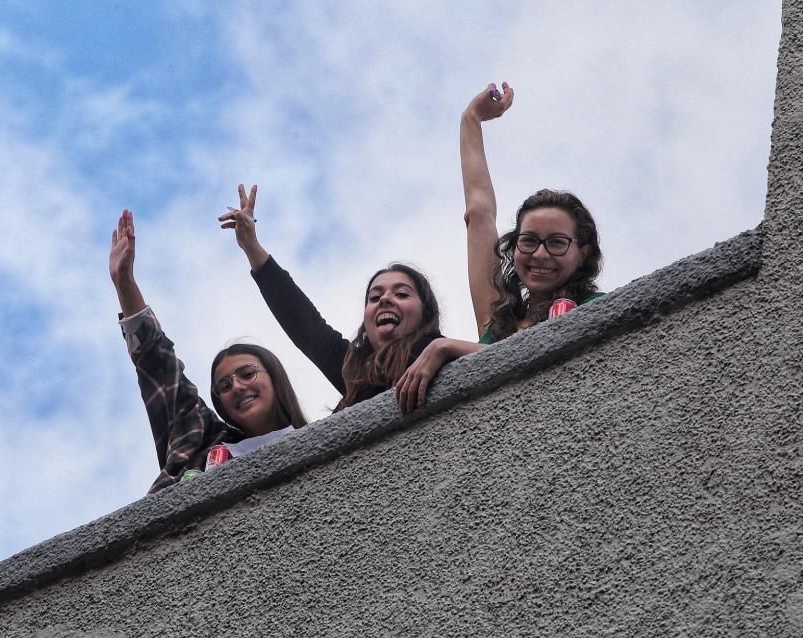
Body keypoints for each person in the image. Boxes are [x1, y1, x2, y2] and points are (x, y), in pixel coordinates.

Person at [219, 185, 482, 414]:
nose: (385, 300)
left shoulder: (438, 352)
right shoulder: (354, 370)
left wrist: (442, 348)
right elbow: (305, 324)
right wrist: (251, 246)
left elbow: (505, 358)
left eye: (401, 294)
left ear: (425, 313)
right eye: (375, 297)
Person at [110, 208, 308, 493]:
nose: (237, 387)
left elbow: (315, 332)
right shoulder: (201, 445)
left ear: (274, 377)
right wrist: (124, 282)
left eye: (247, 374)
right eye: (225, 386)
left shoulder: (321, 439)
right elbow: (160, 367)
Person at [460, 82, 604, 344]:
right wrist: (471, 120)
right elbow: (479, 213)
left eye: (556, 243)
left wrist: (447, 348)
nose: (539, 254)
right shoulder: (498, 325)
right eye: (528, 241)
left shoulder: (599, 308)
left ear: (583, 252)